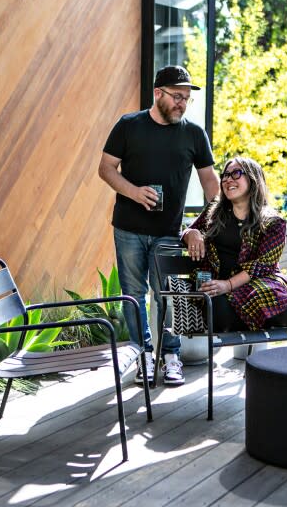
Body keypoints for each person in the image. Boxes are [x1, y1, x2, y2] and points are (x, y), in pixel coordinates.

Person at [99, 65, 220, 386]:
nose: (182, 103)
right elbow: (106, 168)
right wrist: (134, 192)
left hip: (168, 232)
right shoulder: (129, 126)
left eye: (187, 98)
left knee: (166, 294)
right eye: (177, 96)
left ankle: (171, 356)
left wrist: (207, 225)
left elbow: (211, 182)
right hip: (128, 229)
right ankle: (143, 357)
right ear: (158, 94)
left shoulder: (193, 134)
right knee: (133, 295)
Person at [181, 157, 287, 343]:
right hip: (217, 287)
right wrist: (192, 233)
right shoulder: (214, 213)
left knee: (262, 295)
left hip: (257, 283)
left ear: (253, 179)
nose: (228, 179)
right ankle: (265, 320)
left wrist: (228, 284)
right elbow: (187, 231)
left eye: (236, 173)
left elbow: (263, 266)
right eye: (225, 175)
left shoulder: (272, 222)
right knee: (218, 310)